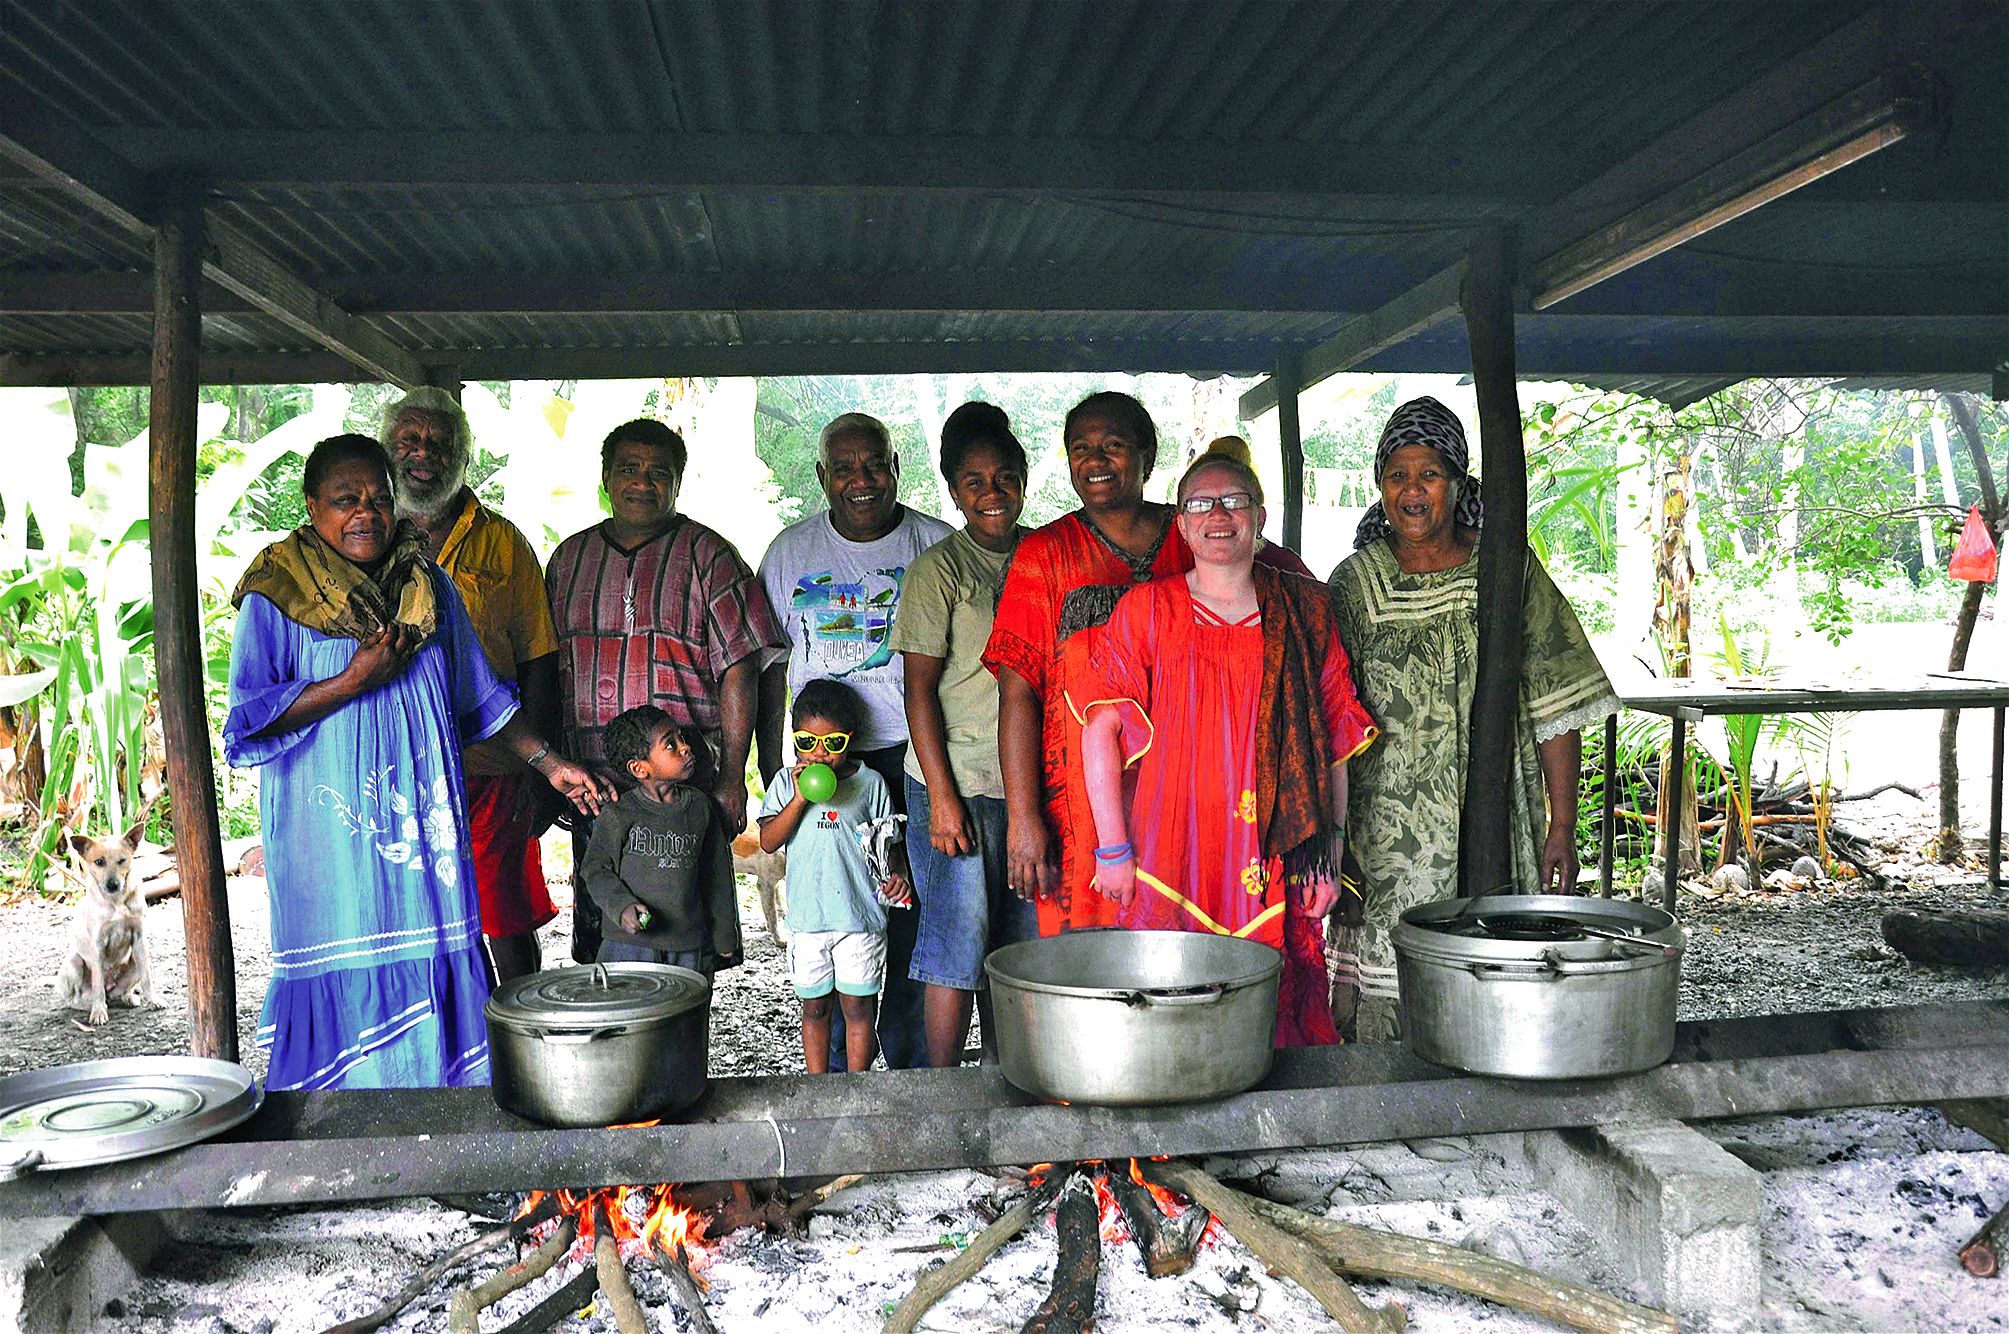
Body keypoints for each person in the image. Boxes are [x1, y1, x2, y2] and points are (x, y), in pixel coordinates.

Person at [224, 434, 604, 1090]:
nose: (365, 512)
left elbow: (481, 696)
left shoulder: (425, 585)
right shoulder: (276, 591)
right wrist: (353, 679)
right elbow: (248, 722)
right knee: (344, 950)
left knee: (432, 951)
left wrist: (548, 764)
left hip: (419, 830)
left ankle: (436, 1116)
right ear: (313, 506)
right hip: (329, 845)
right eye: (346, 500)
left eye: (377, 497)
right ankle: (337, 1126)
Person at [1327, 396, 1619, 1040]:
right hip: (1384, 834)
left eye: (1428, 473)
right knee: (1394, 988)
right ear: (1380, 486)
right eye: (1397, 474)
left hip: (1494, 814)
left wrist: (1563, 827)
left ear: (1458, 483)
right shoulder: (1353, 583)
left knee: (1488, 972)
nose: (1412, 490)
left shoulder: (1503, 568)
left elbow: (1557, 701)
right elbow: (1325, 719)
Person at [1076, 442, 1376, 1046]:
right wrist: (1112, 847)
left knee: (1271, 1014)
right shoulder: (1147, 609)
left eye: (1235, 501)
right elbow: (1101, 730)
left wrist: (1330, 853)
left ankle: (1261, 1135)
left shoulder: (1307, 610)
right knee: (1164, 1006)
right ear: (1182, 525)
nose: (1220, 515)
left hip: (1277, 848)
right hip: (1171, 846)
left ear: (1260, 518)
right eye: (1202, 504)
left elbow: (1333, 744)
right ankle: (1172, 1134)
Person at [547, 418, 786, 962]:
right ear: (605, 477)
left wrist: (731, 778)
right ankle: (614, 1044)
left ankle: (680, 1044)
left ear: (678, 482)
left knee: (687, 944)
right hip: (595, 787)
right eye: (628, 469)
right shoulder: (568, 560)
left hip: (686, 790)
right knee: (604, 936)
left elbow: (741, 669)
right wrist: (548, 770)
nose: (642, 482)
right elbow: (545, 670)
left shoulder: (710, 556)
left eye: (659, 472)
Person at [757, 412, 952, 1070]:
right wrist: (769, 762)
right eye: (843, 468)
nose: (860, 480)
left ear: (896, 469)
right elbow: (771, 666)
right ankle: (839, 1077)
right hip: (825, 760)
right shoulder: (790, 553)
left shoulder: (935, 543)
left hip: (917, 759)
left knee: (908, 906)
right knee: (838, 910)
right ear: (821, 477)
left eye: (874, 465)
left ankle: (912, 1064)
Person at [984, 391, 1193, 935]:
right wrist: (1024, 818)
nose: (1096, 461)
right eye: (1082, 449)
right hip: (1077, 808)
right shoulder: (1044, 556)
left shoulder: (1197, 536)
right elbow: (1018, 692)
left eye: (1114, 446)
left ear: (1148, 455)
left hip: (1188, 793)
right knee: (1090, 972)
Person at [380, 386, 560, 985]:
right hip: (395, 768)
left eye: (439, 440)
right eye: (410, 438)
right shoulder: (361, 538)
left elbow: (538, 659)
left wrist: (540, 771)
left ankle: (525, 1048)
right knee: (417, 921)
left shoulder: (504, 542)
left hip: (493, 764)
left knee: (506, 920)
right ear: (388, 447)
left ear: (462, 454)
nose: (423, 452)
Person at [888, 402, 1038, 1067]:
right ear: (952, 490)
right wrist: (942, 801)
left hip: (1029, 787)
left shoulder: (1043, 555)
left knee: (1017, 949)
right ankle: (943, 1099)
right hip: (957, 784)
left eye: (1003, 476)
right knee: (954, 947)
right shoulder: (939, 571)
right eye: (974, 481)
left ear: (1024, 477)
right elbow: (916, 692)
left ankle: (1008, 1083)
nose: (991, 493)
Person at [757, 679, 913, 1075]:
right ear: (794, 740)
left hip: (860, 919)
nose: (821, 755)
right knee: (814, 1007)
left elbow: (888, 844)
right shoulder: (784, 784)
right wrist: (800, 798)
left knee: (859, 1007)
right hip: (809, 922)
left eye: (833, 744)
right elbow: (770, 839)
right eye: (808, 743)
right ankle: (817, 1084)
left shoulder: (871, 784)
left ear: (852, 740)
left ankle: (856, 1084)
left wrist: (897, 875)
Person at [580, 706, 741, 977]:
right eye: (671, 744)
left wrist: (725, 935)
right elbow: (595, 869)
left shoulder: (700, 808)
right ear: (639, 769)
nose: (685, 747)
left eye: (681, 738)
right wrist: (622, 907)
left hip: (687, 946)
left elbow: (718, 876)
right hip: (628, 946)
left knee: (687, 1016)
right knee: (629, 1016)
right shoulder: (620, 813)